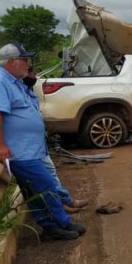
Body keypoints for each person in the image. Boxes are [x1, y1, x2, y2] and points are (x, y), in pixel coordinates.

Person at [0, 43, 86, 240]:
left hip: (29, 149)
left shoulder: (14, 81)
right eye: (24, 60)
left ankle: (50, 227)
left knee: (35, 190)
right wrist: (1, 146)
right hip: (17, 151)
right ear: (11, 62)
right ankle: (62, 222)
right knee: (45, 186)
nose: (28, 65)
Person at [23, 68, 89, 214]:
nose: (34, 76)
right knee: (46, 177)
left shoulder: (28, 91)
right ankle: (62, 204)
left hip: (38, 144)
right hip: (27, 147)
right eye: (31, 73)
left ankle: (65, 201)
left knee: (50, 172)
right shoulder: (17, 91)